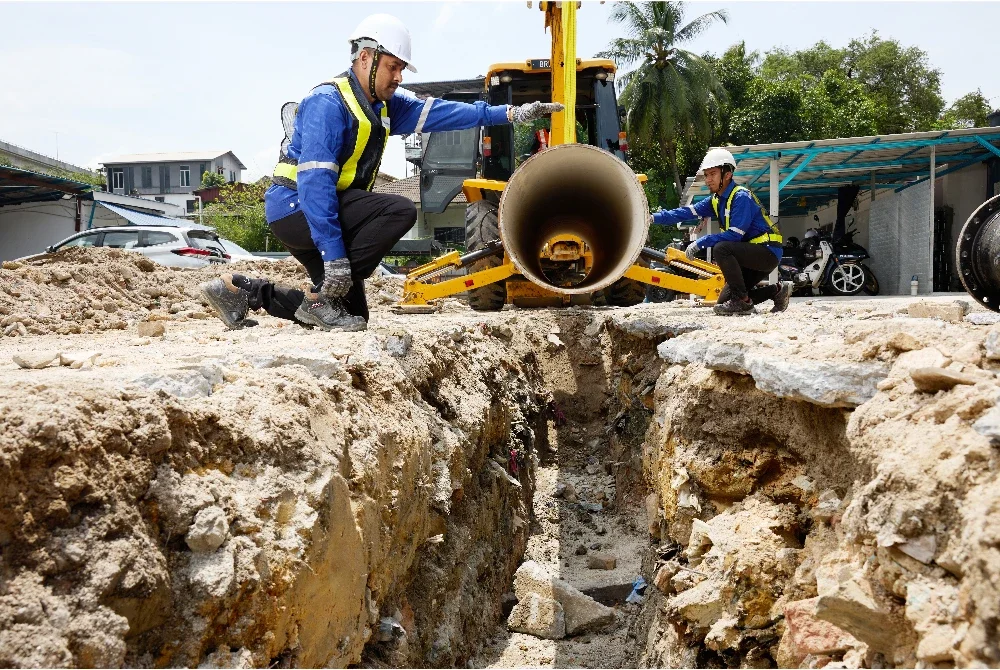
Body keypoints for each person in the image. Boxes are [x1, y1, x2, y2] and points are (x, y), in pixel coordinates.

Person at [201, 13, 563, 331]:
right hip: (297, 209)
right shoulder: (327, 103)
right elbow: (315, 185)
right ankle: (321, 298)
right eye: (393, 66)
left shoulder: (386, 104)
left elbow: (445, 113)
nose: (399, 76)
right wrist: (334, 256)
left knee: (353, 314)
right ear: (365, 58)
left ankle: (241, 290)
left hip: (324, 211)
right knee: (399, 210)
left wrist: (509, 114)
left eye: (402, 68)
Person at [651, 148, 792, 316]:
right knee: (723, 302)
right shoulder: (716, 200)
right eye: (706, 175)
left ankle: (742, 302)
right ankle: (777, 291)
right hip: (751, 255)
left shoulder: (741, 197)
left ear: (727, 174)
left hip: (767, 251)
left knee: (721, 248)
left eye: (712, 174)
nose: (708, 180)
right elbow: (684, 212)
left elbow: (735, 235)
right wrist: (652, 218)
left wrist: (701, 241)